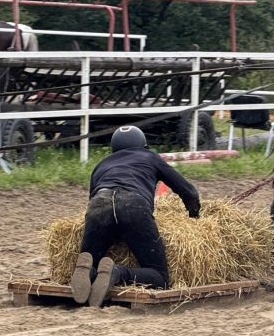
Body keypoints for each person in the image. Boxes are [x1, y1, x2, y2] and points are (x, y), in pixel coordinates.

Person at [70, 125, 200, 308]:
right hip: (133, 205)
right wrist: (194, 216)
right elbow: (188, 191)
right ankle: (117, 273)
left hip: (99, 205)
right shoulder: (149, 157)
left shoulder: (101, 165)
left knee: (92, 259)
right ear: (143, 146)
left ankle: (88, 270)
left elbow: (91, 199)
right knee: (160, 277)